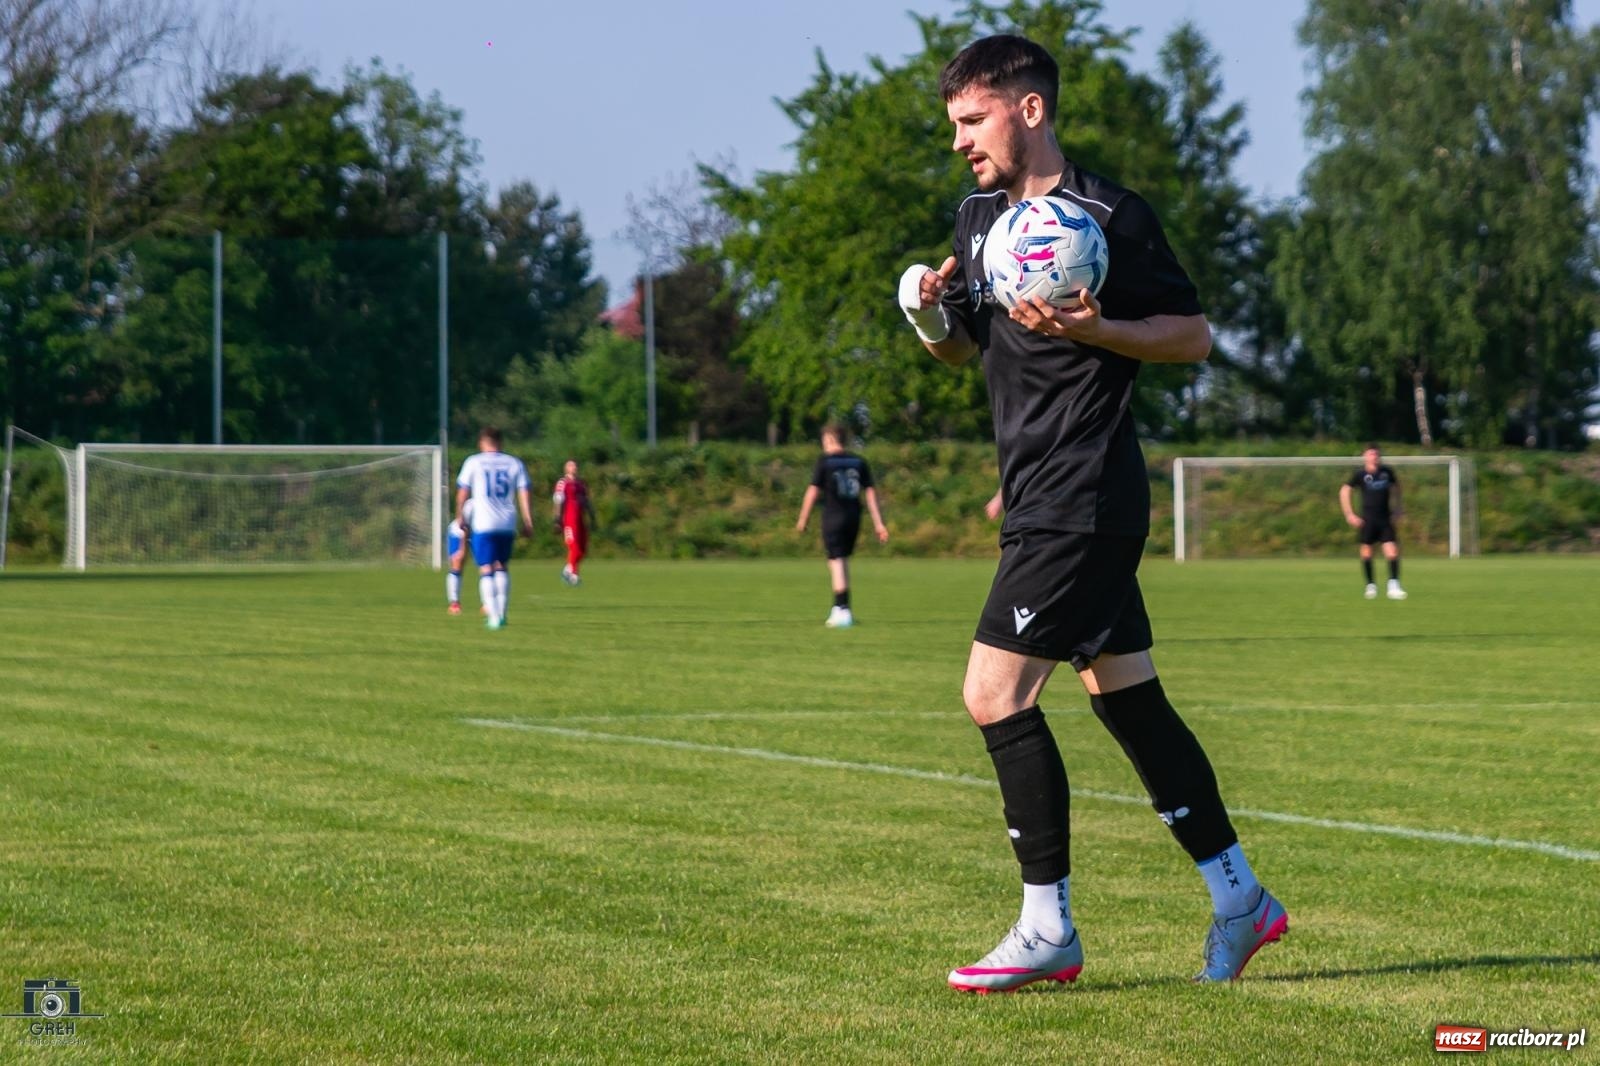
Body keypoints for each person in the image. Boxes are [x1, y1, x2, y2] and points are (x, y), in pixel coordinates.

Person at [897, 34, 1287, 992]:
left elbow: (1192, 337)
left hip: (1084, 495)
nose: (959, 141)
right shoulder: (977, 219)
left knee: (994, 694)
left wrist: (1101, 327)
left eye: (972, 120)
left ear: (1029, 109)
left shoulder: (1111, 215)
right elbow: (965, 352)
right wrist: (928, 313)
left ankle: (1047, 929)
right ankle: (1241, 899)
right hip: (1038, 493)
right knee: (1130, 701)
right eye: (954, 124)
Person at [794, 424, 889, 627]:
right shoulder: (859, 461)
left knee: (836, 560)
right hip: (854, 516)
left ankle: (842, 609)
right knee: (840, 559)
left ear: (829, 439)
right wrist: (879, 523)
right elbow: (870, 493)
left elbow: (813, 491)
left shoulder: (825, 462)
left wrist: (803, 518)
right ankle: (840, 608)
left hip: (833, 516)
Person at [455, 427, 534, 629]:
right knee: (502, 566)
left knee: (486, 568)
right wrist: (528, 520)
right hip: (507, 522)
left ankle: (493, 616)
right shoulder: (514, 463)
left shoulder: (474, 462)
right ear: (501, 442)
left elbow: (463, 492)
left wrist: (460, 516)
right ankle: (503, 614)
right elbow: (524, 491)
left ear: (482, 443)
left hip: (484, 522)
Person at [1340, 445, 1406, 600]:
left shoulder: (1387, 472)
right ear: (1365, 456)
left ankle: (1393, 586)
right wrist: (1349, 514)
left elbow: (1397, 489)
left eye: (1376, 454)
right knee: (1367, 552)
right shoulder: (1360, 474)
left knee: (1392, 551)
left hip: (1385, 519)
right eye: (1371, 454)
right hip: (1368, 520)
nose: (1374, 457)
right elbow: (1345, 490)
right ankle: (1370, 586)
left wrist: (1398, 509)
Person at [552, 459, 597, 586]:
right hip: (569, 519)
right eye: (571, 465)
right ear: (566, 468)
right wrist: (557, 519)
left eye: (575, 465)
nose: (574, 467)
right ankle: (574, 574)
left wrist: (592, 517)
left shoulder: (581, 484)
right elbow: (558, 501)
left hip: (580, 518)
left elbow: (586, 501)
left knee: (583, 549)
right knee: (574, 546)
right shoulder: (563, 483)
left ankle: (567, 570)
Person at [445, 497, 475, 614]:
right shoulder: (472, 505)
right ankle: (454, 603)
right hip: (458, 533)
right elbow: (464, 526)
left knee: (487, 565)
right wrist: (462, 549)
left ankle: (488, 604)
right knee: (457, 563)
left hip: (477, 534)